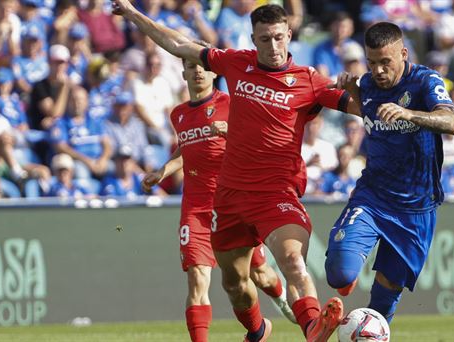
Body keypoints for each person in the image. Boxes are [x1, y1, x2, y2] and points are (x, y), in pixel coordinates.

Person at [111, 2, 359, 341]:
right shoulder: (235, 63)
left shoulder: (309, 82)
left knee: (292, 261)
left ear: (289, 34)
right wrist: (132, 13)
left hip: (274, 195)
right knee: (235, 284)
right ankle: (257, 330)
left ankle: (313, 325)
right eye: (264, 39)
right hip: (227, 200)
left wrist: (368, 93)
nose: (273, 47)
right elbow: (178, 43)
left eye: (278, 38)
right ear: (253, 39)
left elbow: (360, 106)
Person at [141, 59, 295, 341]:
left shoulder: (234, 104)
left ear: (214, 71)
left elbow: (260, 140)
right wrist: (163, 171)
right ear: (184, 73)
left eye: (202, 66)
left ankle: (280, 303)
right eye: (191, 66)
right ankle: (257, 330)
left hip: (232, 206)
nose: (198, 71)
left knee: (260, 275)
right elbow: (186, 149)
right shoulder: (178, 115)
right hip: (195, 208)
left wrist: (232, 132)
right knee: (197, 279)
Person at [327, 22, 454, 323]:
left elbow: (452, 123)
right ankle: (347, 279)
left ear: (403, 53)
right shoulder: (369, 85)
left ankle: (371, 331)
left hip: (416, 206)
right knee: (339, 272)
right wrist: (352, 91)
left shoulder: (425, 81)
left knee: (386, 294)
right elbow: (370, 112)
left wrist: (410, 113)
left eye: (385, 62)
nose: (378, 70)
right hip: (372, 196)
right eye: (371, 62)